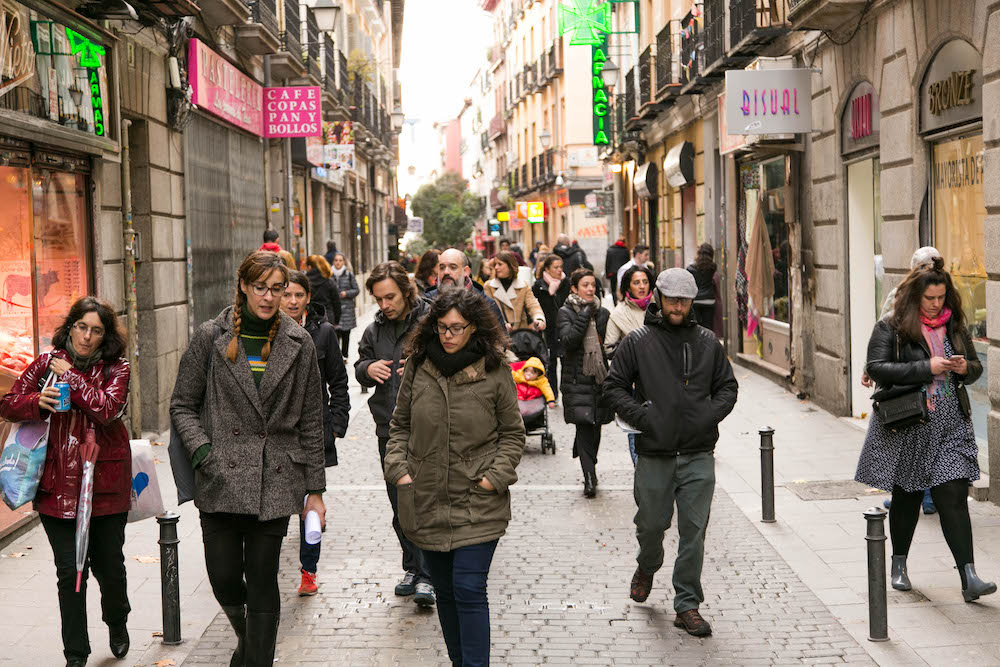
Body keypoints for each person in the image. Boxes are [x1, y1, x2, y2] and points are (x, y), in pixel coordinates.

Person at [170, 251, 327, 666]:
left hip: (275, 478)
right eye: (261, 287)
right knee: (223, 579)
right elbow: (182, 404)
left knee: (262, 579)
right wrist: (203, 452)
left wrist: (315, 490)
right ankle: (249, 646)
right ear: (243, 286)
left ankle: (256, 660)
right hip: (219, 478)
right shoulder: (211, 336)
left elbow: (312, 418)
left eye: (277, 289)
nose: (269, 297)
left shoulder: (299, 342)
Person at [384, 288, 525, 667]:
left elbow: (513, 434)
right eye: (442, 327)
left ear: (473, 327)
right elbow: (400, 425)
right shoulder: (419, 365)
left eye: (457, 328)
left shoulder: (494, 369)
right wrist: (400, 471)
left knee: (468, 588)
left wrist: (494, 478)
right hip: (426, 498)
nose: (448, 335)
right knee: (445, 592)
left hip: (478, 499)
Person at [602, 268, 738, 637]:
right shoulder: (638, 341)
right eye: (672, 300)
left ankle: (687, 603)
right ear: (659, 299)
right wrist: (643, 417)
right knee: (650, 526)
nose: (678, 307)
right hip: (655, 453)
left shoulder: (708, 342)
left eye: (684, 301)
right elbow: (614, 387)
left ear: (692, 302)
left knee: (694, 531)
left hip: (698, 453)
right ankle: (648, 565)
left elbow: (728, 387)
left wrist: (707, 415)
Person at [0, 297, 132, 667]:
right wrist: (36, 402)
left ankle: (117, 619)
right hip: (56, 485)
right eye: (81, 327)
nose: (86, 337)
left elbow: (107, 409)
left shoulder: (117, 368)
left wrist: (71, 376)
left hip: (104, 484)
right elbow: (8, 403)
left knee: (109, 567)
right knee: (69, 571)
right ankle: (75, 652)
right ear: (70, 327)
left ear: (106, 335)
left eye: (96, 331)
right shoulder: (46, 363)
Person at [855, 258, 995, 602]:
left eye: (941, 297)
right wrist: (926, 367)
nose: (936, 304)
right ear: (915, 296)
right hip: (911, 424)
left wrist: (963, 368)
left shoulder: (954, 325)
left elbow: (975, 368)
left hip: (951, 423)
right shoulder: (892, 326)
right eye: (929, 298)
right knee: (908, 495)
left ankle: (969, 576)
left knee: (954, 496)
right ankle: (898, 564)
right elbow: (877, 367)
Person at [355, 261, 436, 607]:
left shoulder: (430, 321)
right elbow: (360, 365)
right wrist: (367, 368)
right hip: (388, 427)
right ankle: (412, 568)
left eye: (390, 297)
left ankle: (429, 576)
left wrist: (425, 366)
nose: (384, 305)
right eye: (378, 299)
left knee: (425, 502)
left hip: (428, 427)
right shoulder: (374, 331)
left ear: (406, 290)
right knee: (399, 502)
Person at [279, 271, 349, 597]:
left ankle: (309, 571)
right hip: (280, 434)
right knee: (282, 502)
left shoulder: (323, 333)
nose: (293, 301)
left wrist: (336, 423)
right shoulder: (269, 333)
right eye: (286, 294)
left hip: (314, 431)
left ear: (308, 298)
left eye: (299, 295)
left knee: (311, 504)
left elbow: (338, 381)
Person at [558, 268, 613, 498]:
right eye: (585, 285)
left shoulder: (604, 313)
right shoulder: (565, 312)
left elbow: (609, 345)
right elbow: (568, 341)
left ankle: (589, 460)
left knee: (596, 425)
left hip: (598, 378)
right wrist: (584, 315)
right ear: (574, 288)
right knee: (584, 426)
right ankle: (589, 476)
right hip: (576, 379)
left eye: (593, 285)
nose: (590, 289)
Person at [605, 264, 656, 465]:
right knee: (636, 427)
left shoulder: (660, 307)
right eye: (636, 282)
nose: (642, 286)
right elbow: (609, 348)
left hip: (661, 376)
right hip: (634, 383)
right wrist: (632, 350)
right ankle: (640, 468)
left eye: (645, 282)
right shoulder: (619, 313)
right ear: (628, 286)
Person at [426, 248, 506, 327]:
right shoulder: (427, 303)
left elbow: (500, 335)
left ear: (466, 271)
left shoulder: (487, 305)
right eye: (442, 268)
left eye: (453, 267)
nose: (446, 272)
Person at [532, 254, 570, 401]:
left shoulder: (567, 283)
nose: (559, 270)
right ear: (547, 269)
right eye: (555, 267)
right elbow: (533, 306)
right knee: (550, 362)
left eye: (561, 267)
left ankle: (566, 393)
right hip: (548, 329)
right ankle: (552, 394)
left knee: (566, 362)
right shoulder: (539, 285)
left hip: (565, 328)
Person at [485, 251, 546, 333]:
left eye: (500, 264)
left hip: (520, 334)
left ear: (510, 266)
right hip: (499, 334)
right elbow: (489, 310)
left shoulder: (523, 286)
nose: (496, 267)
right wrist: (501, 323)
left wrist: (539, 318)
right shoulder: (489, 286)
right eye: (495, 264)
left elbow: (532, 304)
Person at [330, 252, 360, 360]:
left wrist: (346, 294)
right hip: (335, 310)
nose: (338, 262)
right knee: (335, 335)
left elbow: (356, 290)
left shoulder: (349, 275)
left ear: (344, 262)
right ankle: (337, 357)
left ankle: (345, 355)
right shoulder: (329, 275)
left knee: (346, 335)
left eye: (340, 260)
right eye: (336, 260)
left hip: (347, 310)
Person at [687, 243, 720, 334]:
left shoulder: (691, 268)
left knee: (696, 326)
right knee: (708, 327)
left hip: (696, 300)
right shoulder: (713, 267)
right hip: (709, 300)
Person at [305, 255, 342, 326]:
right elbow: (337, 303)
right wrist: (336, 321)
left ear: (309, 267)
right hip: (328, 318)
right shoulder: (329, 282)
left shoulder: (305, 283)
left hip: (310, 319)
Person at [605, 237, 630, 305]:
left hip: (612, 273)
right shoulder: (625, 250)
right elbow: (627, 262)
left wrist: (607, 273)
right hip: (623, 272)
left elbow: (607, 263)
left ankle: (615, 303)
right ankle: (623, 301)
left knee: (613, 289)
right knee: (623, 287)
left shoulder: (610, 250)